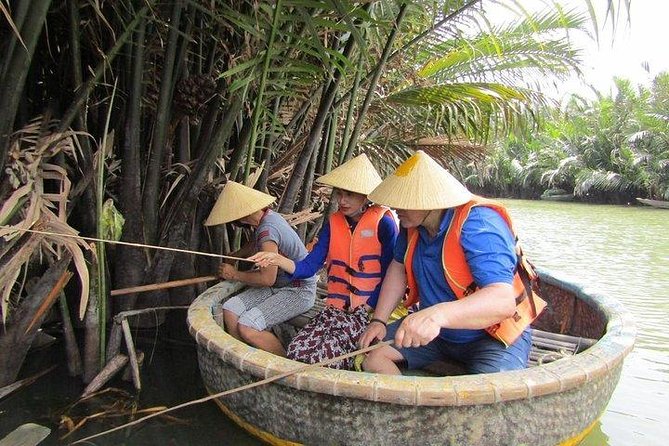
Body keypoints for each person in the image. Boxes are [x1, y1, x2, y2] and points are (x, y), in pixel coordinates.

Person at [358, 150, 546, 375]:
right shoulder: (411, 226)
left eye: (403, 201)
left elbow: (502, 300)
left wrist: (437, 315)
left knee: (492, 394)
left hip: (492, 336)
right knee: (372, 358)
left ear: (429, 201)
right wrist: (379, 319)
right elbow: (398, 268)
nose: (395, 208)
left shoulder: (479, 224)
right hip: (440, 334)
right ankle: (408, 407)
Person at [250, 154, 398, 369]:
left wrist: (369, 306)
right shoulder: (334, 223)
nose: (342, 200)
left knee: (327, 358)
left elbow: (391, 273)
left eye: (350, 195)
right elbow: (309, 267)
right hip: (335, 309)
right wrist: (277, 259)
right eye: (339, 193)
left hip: (369, 311)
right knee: (297, 350)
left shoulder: (384, 223)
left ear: (366, 197)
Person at [204, 181, 317, 356]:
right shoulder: (267, 217)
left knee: (247, 326)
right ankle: (243, 358)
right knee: (230, 309)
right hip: (280, 285)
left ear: (241, 217)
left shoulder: (268, 231)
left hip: (298, 290)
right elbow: (256, 242)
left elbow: (267, 279)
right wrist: (237, 254)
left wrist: (234, 274)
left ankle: (283, 367)